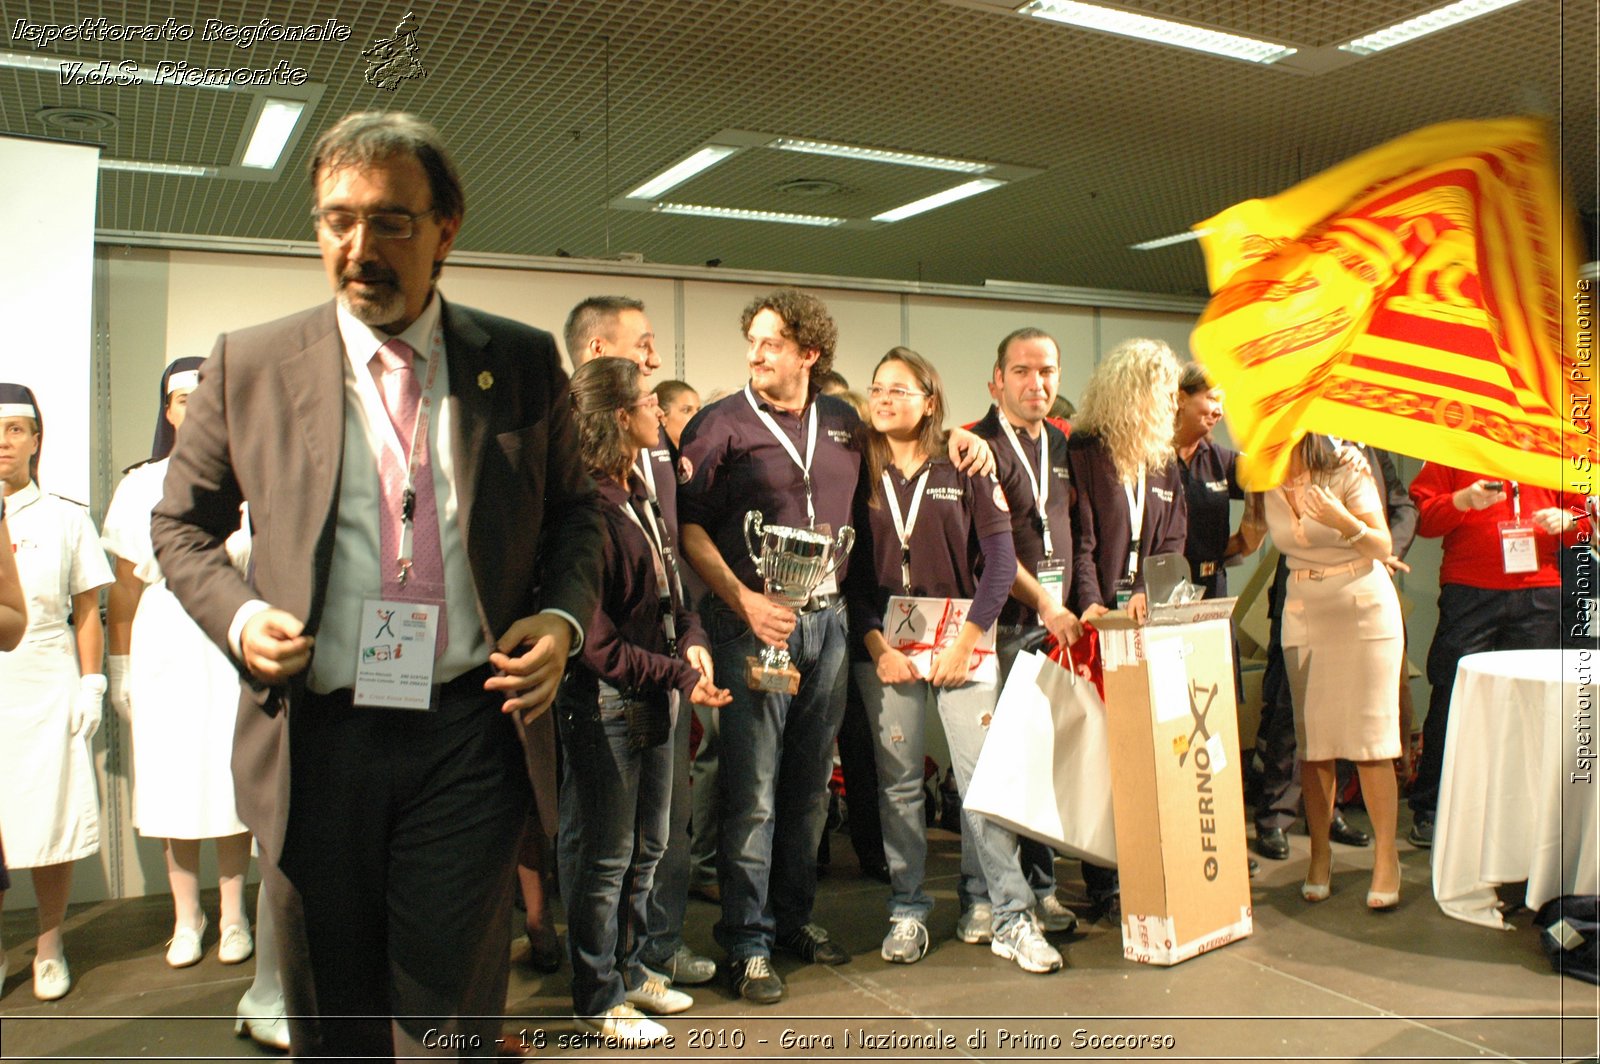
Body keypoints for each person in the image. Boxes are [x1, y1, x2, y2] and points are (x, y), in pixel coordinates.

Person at [150, 111, 603, 1058]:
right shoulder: (251, 363)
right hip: (316, 735)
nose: (360, 248)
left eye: (392, 220)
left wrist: (561, 618)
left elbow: (575, 514)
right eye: (336, 220)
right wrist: (238, 621)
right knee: (335, 1011)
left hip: (467, 729)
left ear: (447, 228)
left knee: (450, 1017)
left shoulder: (517, 363)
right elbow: (180, 526)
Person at [676, 287, 992, 1005]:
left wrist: (970, 438)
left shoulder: (845, 421)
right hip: (754, 624)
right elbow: (688, 528)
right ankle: (746, 943)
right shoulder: (719, 425)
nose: (756, 353)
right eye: (752, 340)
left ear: (809, 354)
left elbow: (917, 443)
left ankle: (793, 920)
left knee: (811, 788)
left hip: (831, 622)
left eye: (772, 342)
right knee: (751, 793)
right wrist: (745, 601)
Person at [846, 347, 1061, 973]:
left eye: (900, 389)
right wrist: (875, 647)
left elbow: (999, 564)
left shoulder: (965, 461)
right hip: (885, 646)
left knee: (981, 782)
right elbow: (852, 576)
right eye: (877, 388)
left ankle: (1004, 913)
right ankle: (908, 909)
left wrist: (968, 640)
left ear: (930, 400)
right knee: (901, 787)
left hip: (962, 635)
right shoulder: (857, 469)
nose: (884, 399)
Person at [100, 359, 289, 1047]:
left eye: (204, 395)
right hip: (166, 642)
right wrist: (117, 668)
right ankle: (187, 917)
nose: (193, 407)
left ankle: (233, 912)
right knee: (177, 781)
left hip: (233, 636)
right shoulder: (139, 483)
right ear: (167, 408)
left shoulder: (253, 472)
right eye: (181, 398)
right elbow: (123, 586)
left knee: (230, 779)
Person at [557, 357, 731, 1046]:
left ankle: (630, 972)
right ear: (619, 416)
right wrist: (682, 674)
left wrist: (692, 640)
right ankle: (595, 996)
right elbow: (595, 647)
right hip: (605, 704)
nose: (660, 409)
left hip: (653, 694)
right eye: (648, 401)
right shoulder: (584, 506)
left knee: (649, 848)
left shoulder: (641, 485)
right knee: (604, 860)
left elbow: (676, 593)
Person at [969, 327, 1095, 935]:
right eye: (1022, 371)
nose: (1035, 383)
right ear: (997, 379)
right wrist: (1045, 601)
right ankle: (989, 894)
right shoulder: (975, 446)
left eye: (1046, 371)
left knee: (1042, 763)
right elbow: (991, 548)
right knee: (998, 771)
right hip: (1003, 627)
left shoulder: (1064, 447)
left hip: (1056, 628)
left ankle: (1042, 889)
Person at [1068, 338, 1188, 920]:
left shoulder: (1164, 458)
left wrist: (1148, 594)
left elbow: (1172, 539)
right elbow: (1083, 542)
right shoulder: (1087, 452)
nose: (1170, 403)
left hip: (1149, 622)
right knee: (1104, 757)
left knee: (1147, 752)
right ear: (1129, 392)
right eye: (1161, 393)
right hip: (1098, 625)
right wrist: (1096, 604)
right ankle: (1103, 880)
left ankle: (1147, 862)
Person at [1405, 463, 1587, 847]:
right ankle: (1432, 806)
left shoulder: (1548, 443)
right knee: (1452, 698)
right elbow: (1422, 518)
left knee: (1533, 706)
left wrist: (1568, 520)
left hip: (1540, 589)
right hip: (1470, 588)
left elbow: (1587, 516)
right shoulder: (1452, 442)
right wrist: (1462, 500)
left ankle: (1527, 811)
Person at [0, 383, 112, 1001]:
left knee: (50, 819)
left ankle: (49, 944)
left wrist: (92, 683)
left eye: (16, 429)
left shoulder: (67, 517)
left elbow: (88, 609)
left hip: (45, 678)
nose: (3, 442)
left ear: (37, 440)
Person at [1253, 439, 1415, 862]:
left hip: (1362, 604)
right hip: (1304, 608)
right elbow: (1250, 534)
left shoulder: (1349, 464)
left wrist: (1344, 521)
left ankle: (1385, 861)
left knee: (1370, 738)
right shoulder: (1264, 473)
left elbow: (1384, 539)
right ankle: (1314, 855)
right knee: (1310, 739)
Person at [653, 379, 700, 456]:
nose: (697, 416)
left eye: (698, 410)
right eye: (686, 410)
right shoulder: (650, 458)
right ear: (661, 416)